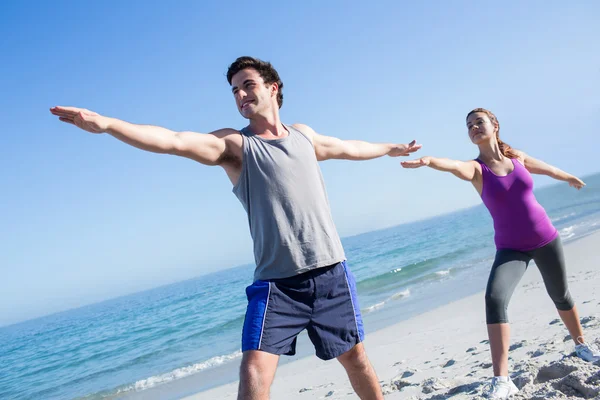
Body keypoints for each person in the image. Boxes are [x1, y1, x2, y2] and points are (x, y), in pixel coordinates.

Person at [50, 56, 421, 400]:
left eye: (248, 85)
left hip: (330, 274)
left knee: (355, 359)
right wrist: (108, 124)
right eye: (235, 91)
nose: (241, 95)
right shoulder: (236, 145)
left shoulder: (304, 136)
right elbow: (174, 141)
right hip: (277, 285)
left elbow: (347, 147)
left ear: (273, 87)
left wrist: (391, 148)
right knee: (254, 370)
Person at [400, 108, 599, 399]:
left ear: (494, 125)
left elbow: (541, 166)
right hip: (511, 248)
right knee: (495, 298)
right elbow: (454, 166)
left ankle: (581, 345)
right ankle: (502, 379)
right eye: (469, 125)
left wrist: (567, 176)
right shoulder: (477, 170)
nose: (474, 127)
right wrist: (429, 161)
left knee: (561, 294)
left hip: (546, 238)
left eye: (478, 122)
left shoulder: (515, 156)